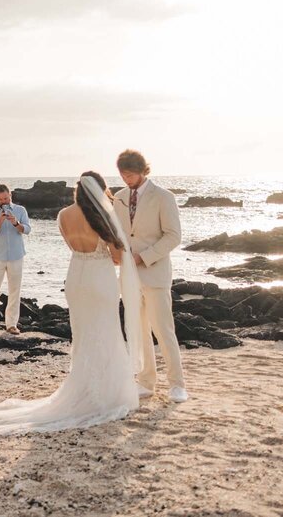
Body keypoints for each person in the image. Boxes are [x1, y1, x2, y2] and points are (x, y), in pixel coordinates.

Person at [0, 172, 142, 434]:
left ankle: (83, 385)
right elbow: (116, 257)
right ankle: (106, 392)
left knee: (83, 333)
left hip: (76, 276)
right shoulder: (103, 215)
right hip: (100, 277)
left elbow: (72, 247)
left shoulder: (64, 215)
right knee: (107, 329)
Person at [113, 150, 188, 403]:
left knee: (164, 329)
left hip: (154, 273)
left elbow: (173, 236)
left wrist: (143, 257)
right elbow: (121, 234)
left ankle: (177, 384)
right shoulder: (119, 198)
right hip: (128, 276)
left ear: (143, 170)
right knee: (139, 330)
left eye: (130, 174)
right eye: (122, 174)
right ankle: (146, 382)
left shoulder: (164, 197)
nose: (126, 179)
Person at [0, 184, 32, 335]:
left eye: (6, 198)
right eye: (1, 199)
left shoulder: (20, 210)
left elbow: (28, 229)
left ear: (10, 196)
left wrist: (16, 223)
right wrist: (0, 221)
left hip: (16, 255)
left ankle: (11, 324)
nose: (4, 201)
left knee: (14, 290)